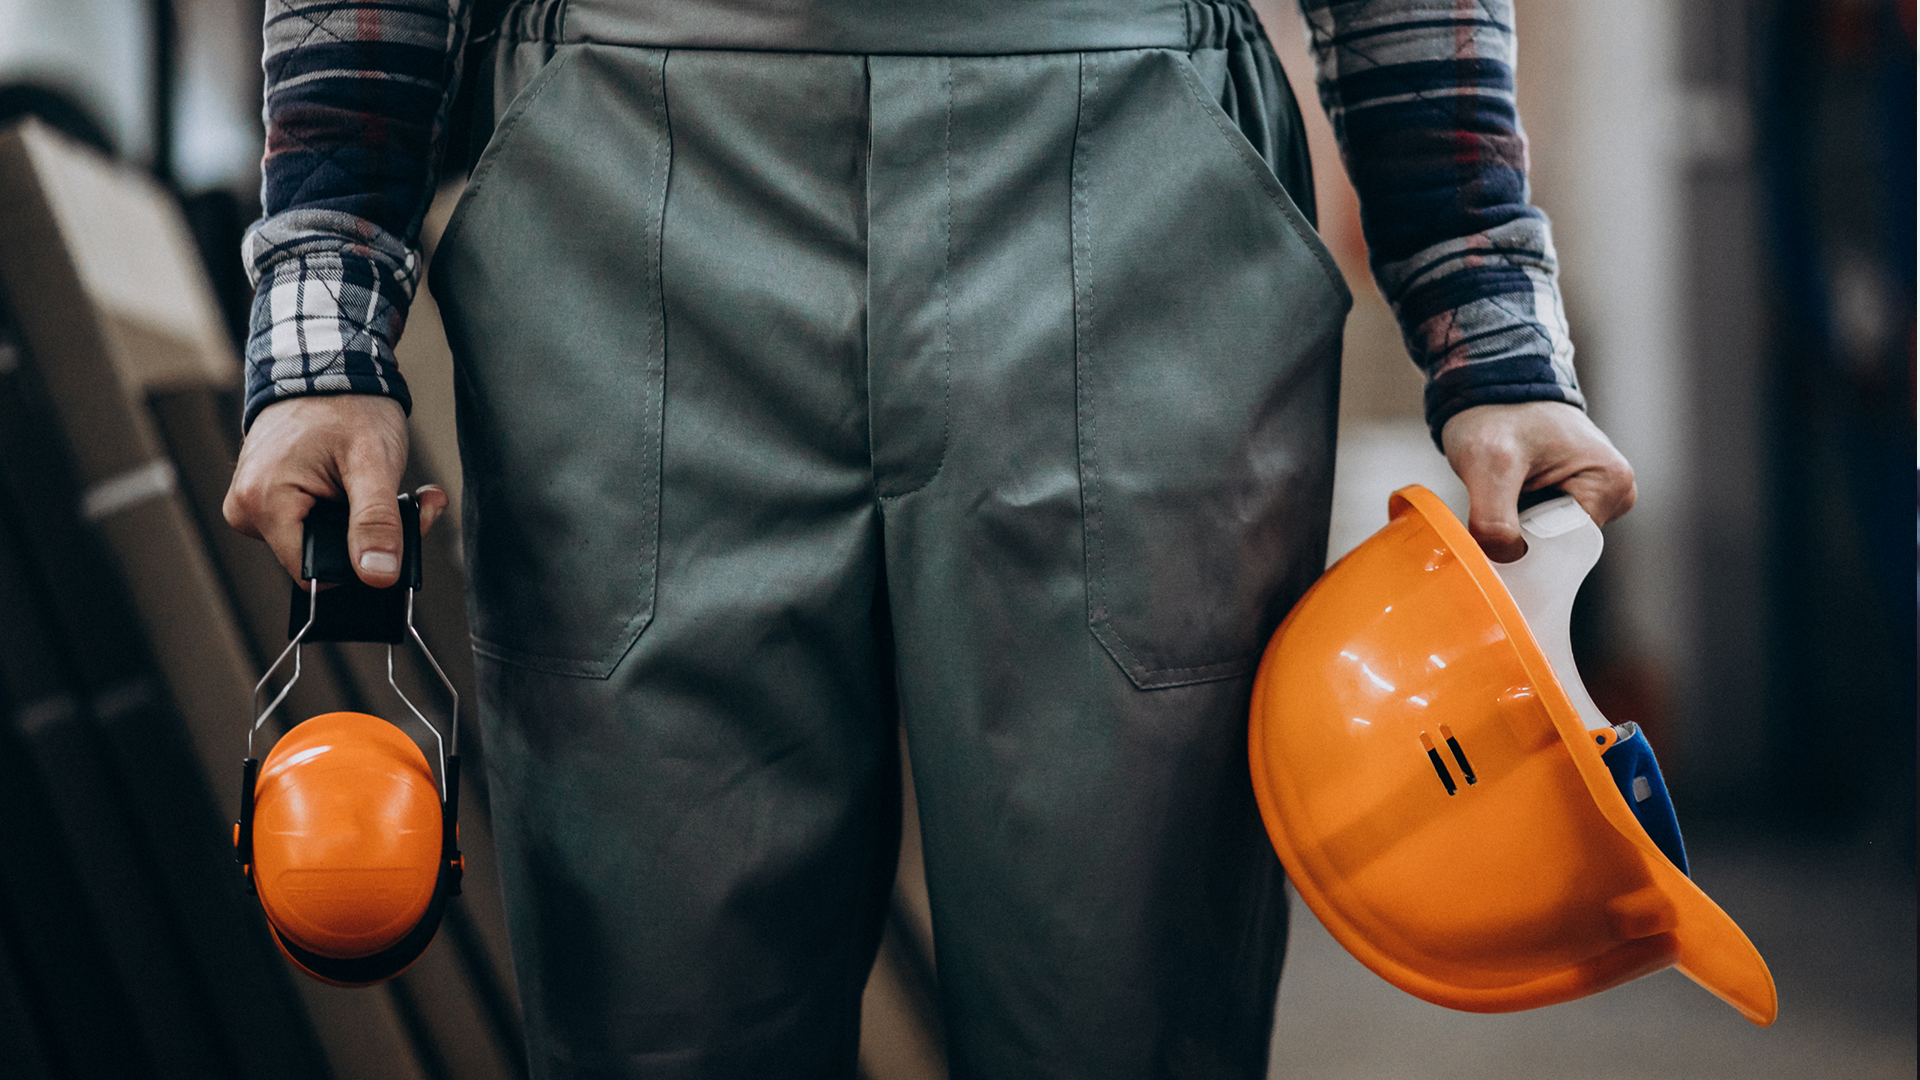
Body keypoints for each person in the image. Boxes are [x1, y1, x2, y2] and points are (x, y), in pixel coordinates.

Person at [224, 1, 1635, 1076]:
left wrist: (1489, 321)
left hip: (1125, 163)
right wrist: (322, 313)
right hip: (633, 169)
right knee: (662, 1020)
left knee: (1128, 1019)